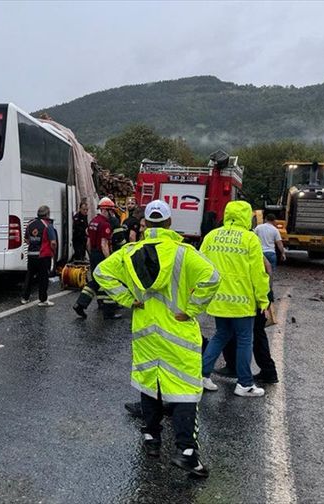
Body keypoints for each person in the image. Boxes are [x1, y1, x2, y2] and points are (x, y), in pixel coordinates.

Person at [95, 200, 219, 477]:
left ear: (145, 225)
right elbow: (212, 278)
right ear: (169, 223)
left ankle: (152, 438)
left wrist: (128, 299)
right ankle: (187, 451)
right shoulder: (183, 253)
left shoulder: (129, 252)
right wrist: (192, 309)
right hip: (178, 332)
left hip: (146, 331)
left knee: (150, 382)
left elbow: (100, 272)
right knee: (186, 390)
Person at [200, 200, 271, 397]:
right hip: (242, 302)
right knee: (244, 340)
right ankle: (245, 384)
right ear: (246, 216)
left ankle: (203, 375)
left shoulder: (211, 236)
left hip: (218, 299)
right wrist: (263, 299)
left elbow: (200, 265)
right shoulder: (250, 238)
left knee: (220, 335)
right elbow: (258, 273)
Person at [217, 256, 278, 384]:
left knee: (252, 334)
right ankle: (266, 370)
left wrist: (265, 294)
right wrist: (269, 291)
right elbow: (268, 267)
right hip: (256, 297)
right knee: (255, 334)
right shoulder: (249, 246)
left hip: (253, 299)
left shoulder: (248, 246)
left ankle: (266, 370)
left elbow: (267, 267)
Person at [73, 197, 121, 320]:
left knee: (95, 280)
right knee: (108, 280)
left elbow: (88, 243)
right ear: (106, 210)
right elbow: (104, 244)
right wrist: (109, 260)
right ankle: (109, 312)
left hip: (93, 254)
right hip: (101, 255)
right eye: (111, 211)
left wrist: (91, 255)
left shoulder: (93, 221)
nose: (113, 214)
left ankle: (81, 304)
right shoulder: (105, 224)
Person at [21, 205, 58, 306]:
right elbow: (53, 242)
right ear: (47, 214)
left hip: (31, 255)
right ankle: (43, 300)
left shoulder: (30, 224)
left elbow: (26, 239)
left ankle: (25, 297)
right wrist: (53, 251)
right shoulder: (48, 225)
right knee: (43, 277)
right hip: (43, 256)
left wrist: (33, 244)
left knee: (29, 276)